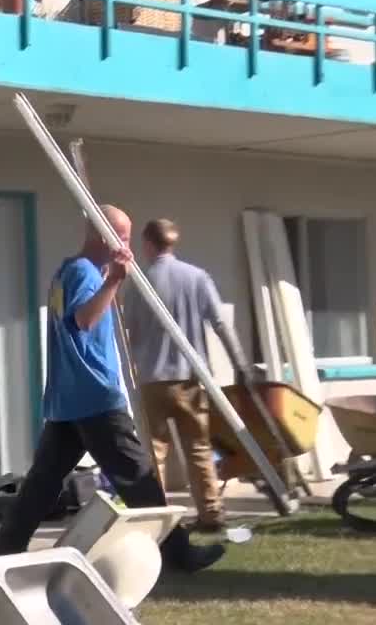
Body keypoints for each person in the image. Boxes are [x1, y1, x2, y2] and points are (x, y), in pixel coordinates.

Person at [0, 206, 225, 572]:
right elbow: (84, 321)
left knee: (42, 483)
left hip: (68, 400)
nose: (126, 244)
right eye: (123, 236)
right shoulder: (86, 274)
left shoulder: (67, 271)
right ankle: (180, 555)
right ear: (104, 236)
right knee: (139, 479)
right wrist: (114, 280)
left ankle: (5, 550)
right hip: (96, 397)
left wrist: (110, 280)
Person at [123, 218, 253, 532]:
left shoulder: (138, 282)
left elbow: (130, 334)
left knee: (154, 452)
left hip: (152, 379)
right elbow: (220, 323)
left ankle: (155, 517)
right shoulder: (197, 278)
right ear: (173, 242)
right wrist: (240, 365)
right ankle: (211, 514)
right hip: (191, 380)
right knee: (198, 448)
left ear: (148, 244)